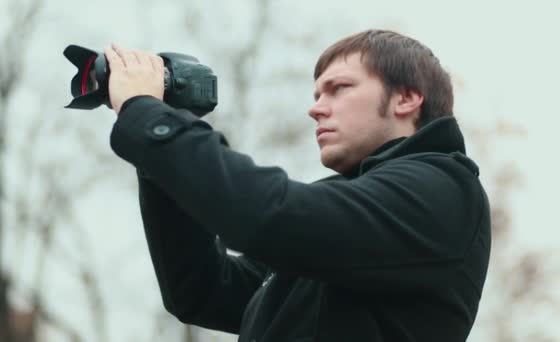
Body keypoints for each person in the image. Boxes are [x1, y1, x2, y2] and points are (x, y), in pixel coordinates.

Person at [104, 29, 491, 342]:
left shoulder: (441, 190)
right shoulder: (354, 219)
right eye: (317, 94)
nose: (316, 107)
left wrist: (149, 116)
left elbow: (268, 215)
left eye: (339, 88)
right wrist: (161, 157)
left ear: (406, 98)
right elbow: (203, 292)